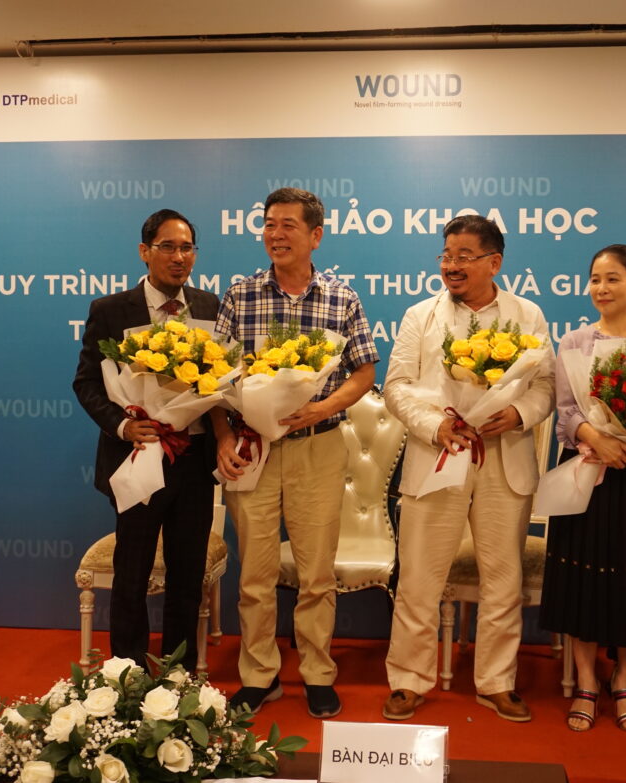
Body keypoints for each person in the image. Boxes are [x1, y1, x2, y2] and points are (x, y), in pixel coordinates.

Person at [212, 188, 378, 719]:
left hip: (318, 447)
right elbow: (214, 380)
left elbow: (364, 372)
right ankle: (258, 676)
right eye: (268, 224)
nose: (275, 234)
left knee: (316, 575)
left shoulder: (341, 297)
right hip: (253, 450)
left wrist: (321, 406)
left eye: (288, 225)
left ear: (315, 235)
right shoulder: (240, 295)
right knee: (255, 576)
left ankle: (317, 674)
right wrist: (223, 439)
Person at [381, 215, 555, 723]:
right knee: (419, 578)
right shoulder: (420, 316)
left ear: (493, 262)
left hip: (505, 458)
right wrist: (435, 426)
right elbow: (396, 387)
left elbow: (545, 386)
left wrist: (519, 413)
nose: (451, 266)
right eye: (446, 256)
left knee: (503, 579)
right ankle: (409, 680)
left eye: (464, 257)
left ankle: (497, 682)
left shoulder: (528, 314)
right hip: (438, 456)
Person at [74, 208, 219, 672]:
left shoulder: (211, 307)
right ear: (145, 251)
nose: (179, 257)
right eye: (168, 247)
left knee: (187, 574)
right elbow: (87, 383)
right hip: (136, 457)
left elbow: (222, 383)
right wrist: (123, 425)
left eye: (187, 248)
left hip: (194, 460)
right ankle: (127, 673)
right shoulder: (110, 310)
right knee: (132, 573)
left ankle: (179, 674)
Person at [539, 244, 626, 733]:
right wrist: (597, 438)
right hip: (588, 469)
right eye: (595, 279)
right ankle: (585, 681)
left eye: (613, 278)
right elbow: (565, 411)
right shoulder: (574, 342)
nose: (602, 288)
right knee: (585, 579)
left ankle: (624, 681)